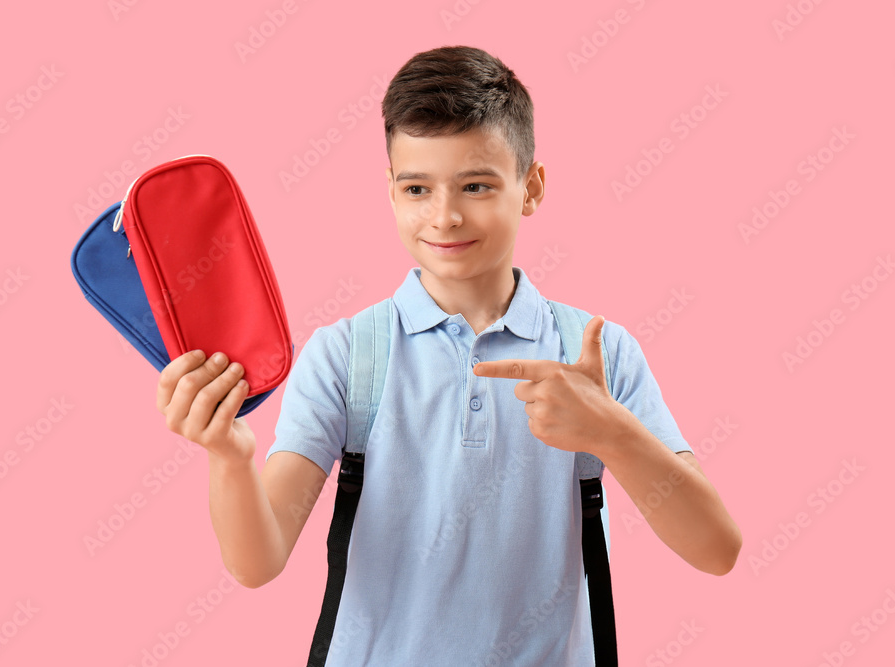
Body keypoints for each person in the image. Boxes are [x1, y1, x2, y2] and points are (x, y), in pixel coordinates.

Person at [155, 45, 742, 665]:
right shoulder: (346, 355)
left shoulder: (597, 352)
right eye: (417, 188)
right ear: (390, 191)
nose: (445, 215)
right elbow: (258, 561)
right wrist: (228, 454)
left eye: (477, 184)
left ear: (531, 187)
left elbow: (716, 549)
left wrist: (615, 436)